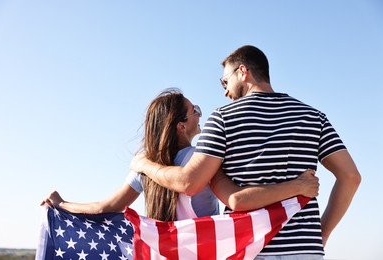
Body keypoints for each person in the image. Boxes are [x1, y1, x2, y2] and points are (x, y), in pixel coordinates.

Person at [130, 46, 361, 259]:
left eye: (225, 82)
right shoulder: (313, 117)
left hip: (247, 248)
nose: (225, 92)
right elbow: (351, 177)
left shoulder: (222, 118)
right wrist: (323, 234)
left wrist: (144, 164)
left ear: (243, 71)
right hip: (305, 250)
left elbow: (190, 182)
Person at [42, 89, 319, 222]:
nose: (200, 113)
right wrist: (297, 186)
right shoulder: (200, 160)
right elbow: (236, 200)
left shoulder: (145, 164)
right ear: (181, 126)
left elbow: (105, 207)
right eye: (194, 110)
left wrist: (63, 203)